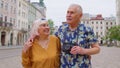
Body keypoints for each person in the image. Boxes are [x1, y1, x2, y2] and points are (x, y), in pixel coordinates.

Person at [55, 4, 100, 68]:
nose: (68, 15)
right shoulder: (61, 29)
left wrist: (84, 51)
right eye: (68, 12)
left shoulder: (87, 30)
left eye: (72, 13)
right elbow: (52, 44)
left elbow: (97, 49)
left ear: (80, 15)